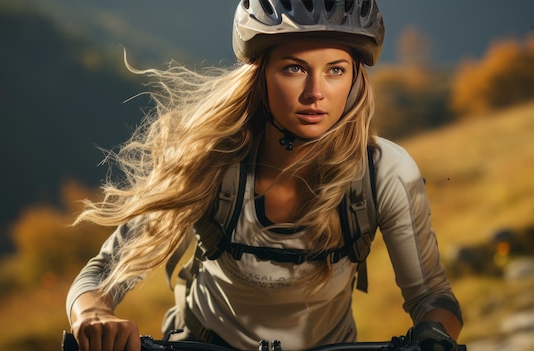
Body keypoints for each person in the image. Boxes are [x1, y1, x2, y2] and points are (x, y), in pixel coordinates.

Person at [66, 1, 464, 350]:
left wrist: (434, 335)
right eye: (294, 68)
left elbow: (432, 298)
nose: (315, 92)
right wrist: (94, 314)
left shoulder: (384, 173)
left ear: (356, 80)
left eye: (336, 70)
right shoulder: (208, 161)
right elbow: (104, 273)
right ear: (260, 76)